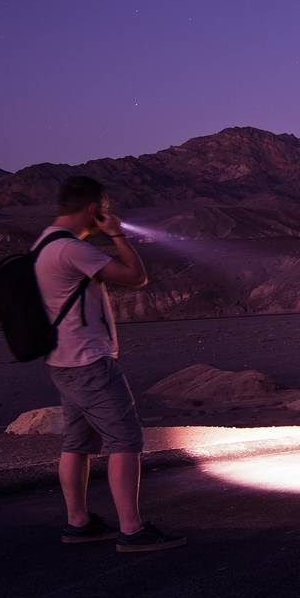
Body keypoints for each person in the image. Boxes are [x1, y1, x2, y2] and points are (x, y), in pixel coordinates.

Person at [35, 175, 185, 552]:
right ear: (93, 208)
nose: (108, 213)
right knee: (126, 441)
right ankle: (132, 530)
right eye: (104, 207)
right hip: (89, 362)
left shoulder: (43, 243)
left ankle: (78, 522)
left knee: (78, 442)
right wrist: (118, 235)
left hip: (62, 360)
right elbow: (136, 277)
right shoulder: (70, 249)